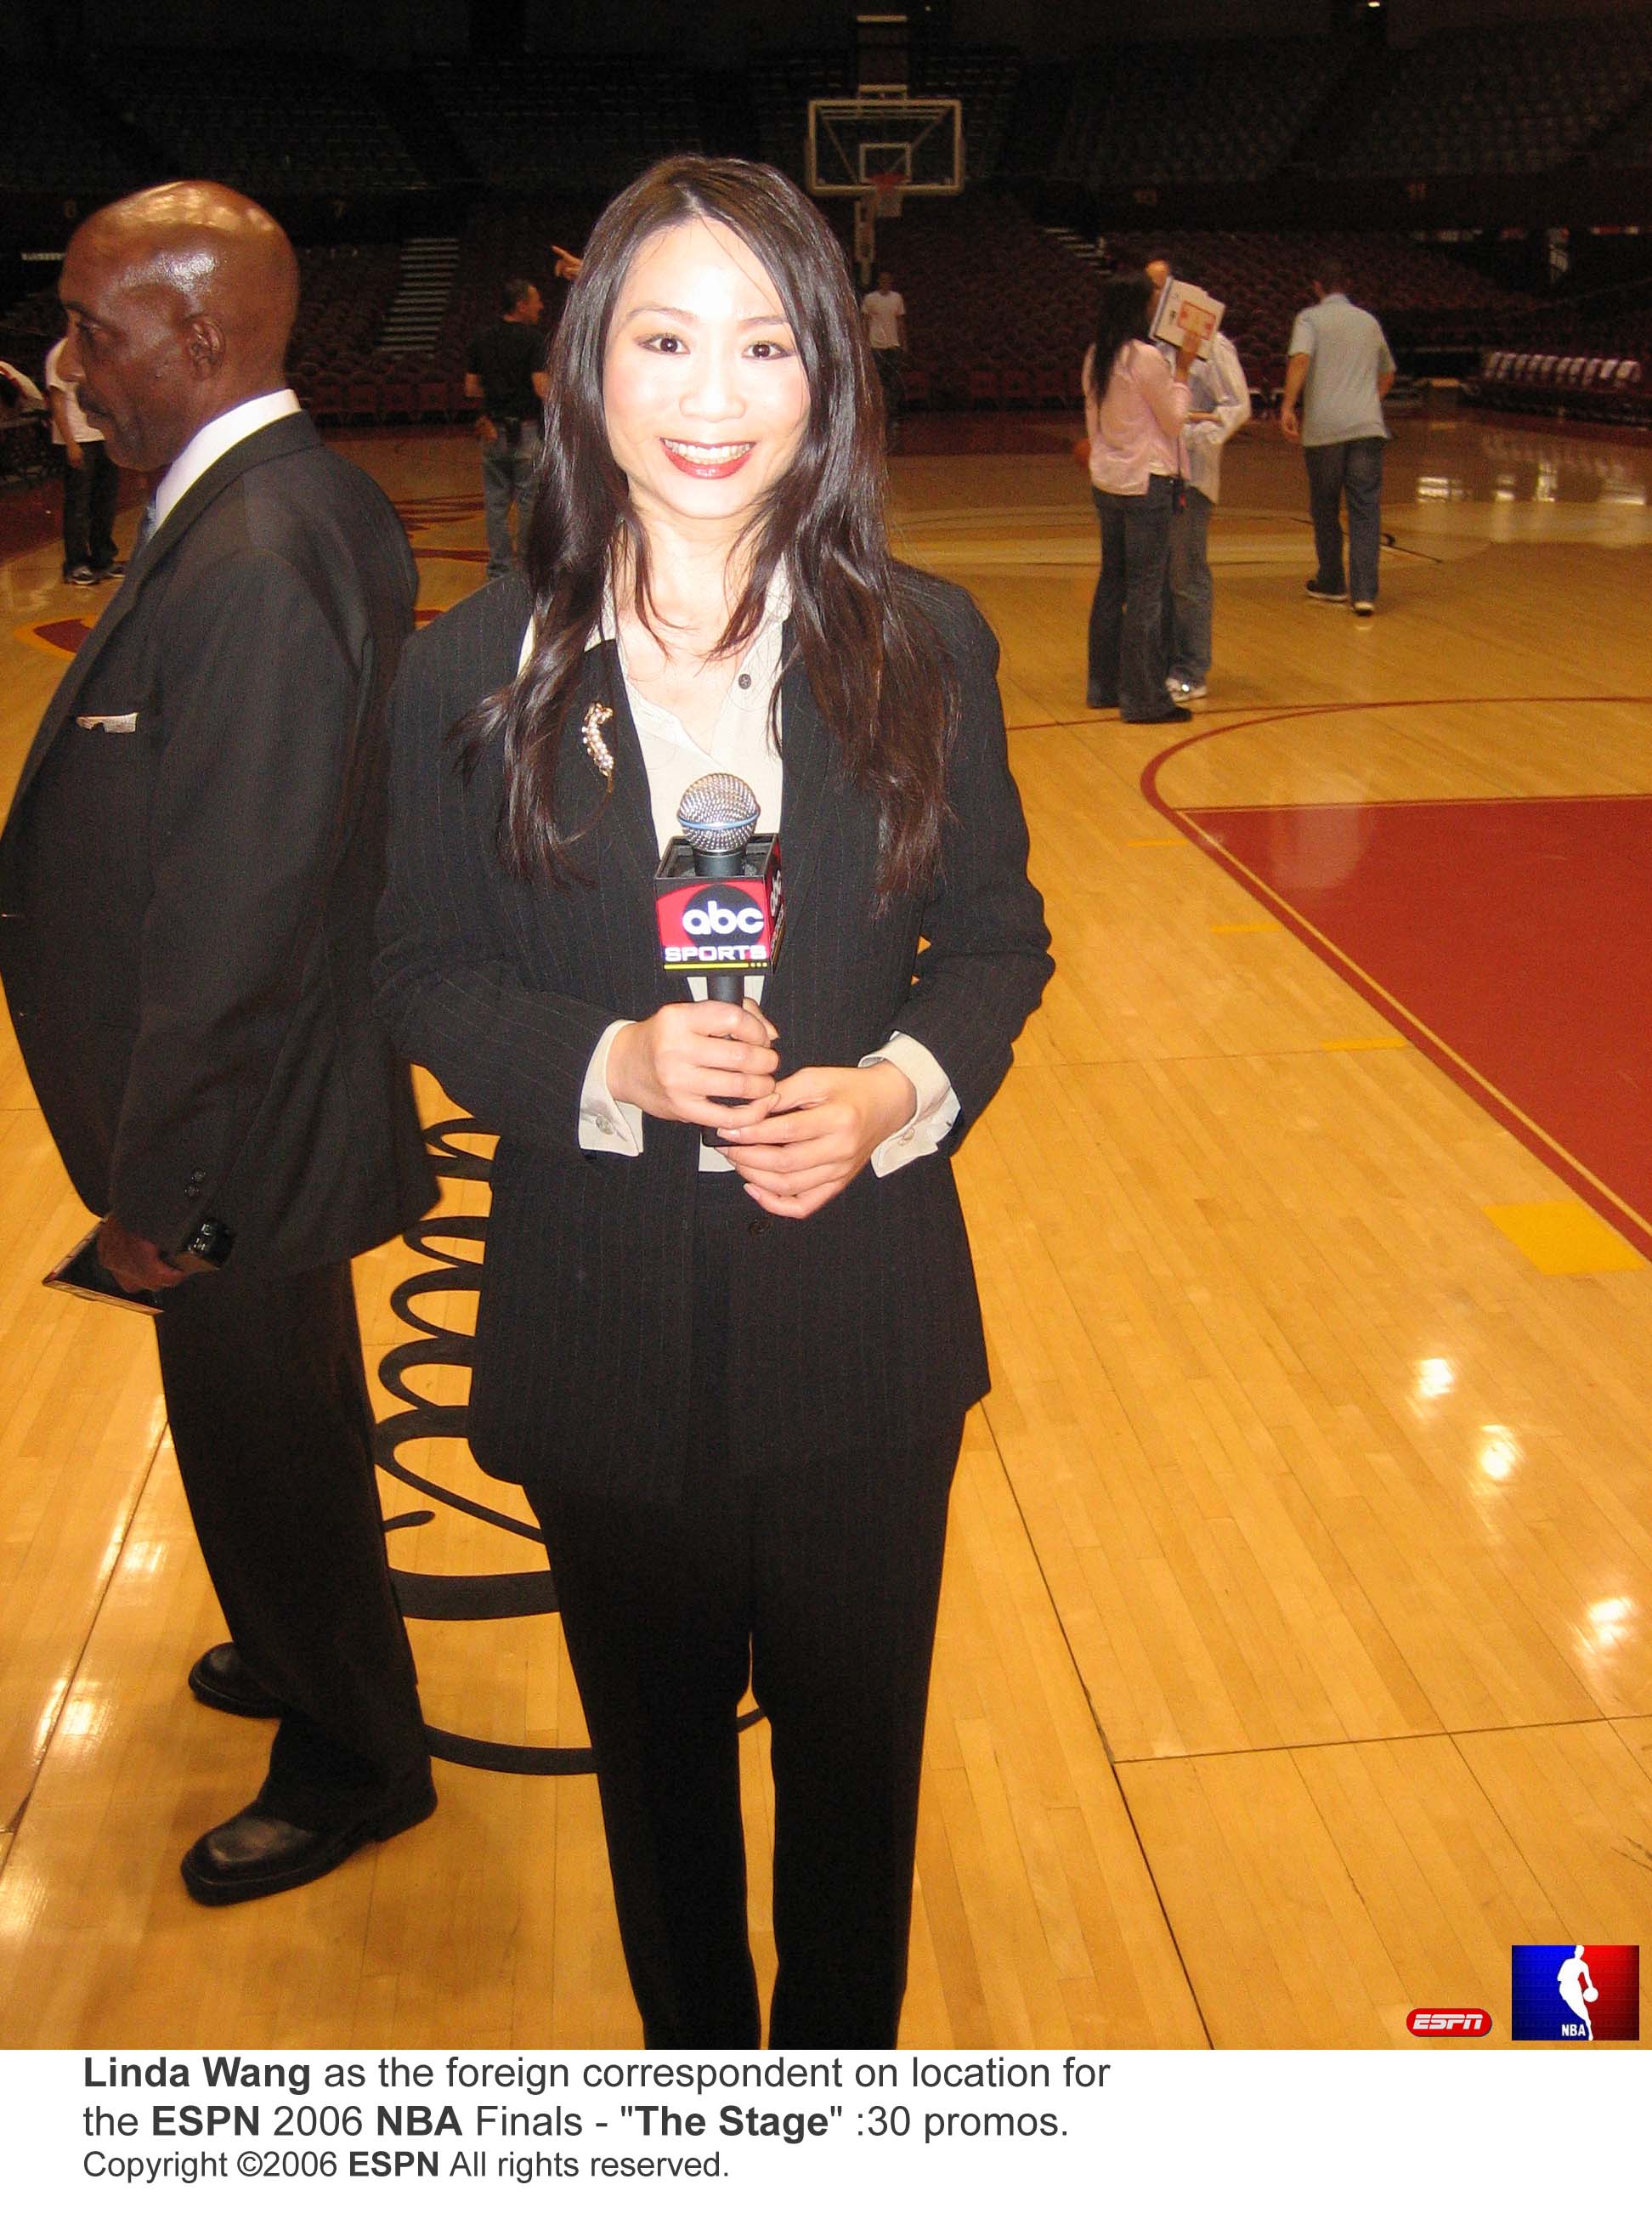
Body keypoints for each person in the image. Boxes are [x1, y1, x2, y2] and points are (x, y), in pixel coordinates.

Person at [375, 155, 1052, 2049]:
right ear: (587, 368)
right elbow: (418, 970)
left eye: (767, 344)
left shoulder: (927, 644)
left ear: (829, 379)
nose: (712, 395)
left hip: (863, 1331)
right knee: (658, 1793)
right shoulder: (466, 673)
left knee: (860, 1783)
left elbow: (999, 943)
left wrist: (895, 1093)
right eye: (665, 340)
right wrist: (604, 1063)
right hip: (597, 1335)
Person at [0, 182, 437, 1905]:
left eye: (96, 327)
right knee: (270, 1423)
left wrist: (161, 1187)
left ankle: (354, 1758)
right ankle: (289, 1641)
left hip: (235, 1125)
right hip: (248, 1103)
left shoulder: (253, 553)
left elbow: (232, 915)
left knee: (273, 1442)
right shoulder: (272, 500)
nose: (69, 360)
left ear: (195, 335)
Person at [1083, 272, 1198, 722]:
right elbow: (1173, 421)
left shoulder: (1096, 356)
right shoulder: (1146, 358)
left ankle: (1103, 686)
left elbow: (1093, 425)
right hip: (1147, 481)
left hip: (1109, 480)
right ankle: (1144, 698)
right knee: (1146, 592)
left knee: (1112, 584)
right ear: (1137, 309)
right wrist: (1184, 371)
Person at [1145, 257, 1251, 705]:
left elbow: (1237, 406)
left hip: (1192, 478)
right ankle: (1164, 660)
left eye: (1159, 287)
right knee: (1160, 574)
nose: (1152, 296)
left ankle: (1192, 667)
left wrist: (1192, 434)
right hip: (1153, 475)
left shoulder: (1215, 348)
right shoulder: (1147, 351)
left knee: (1186, 573)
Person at [1280, 258, 1395, 618]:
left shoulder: (1309, 319)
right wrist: (1365, 402)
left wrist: (1287, 405)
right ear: (1347, 286)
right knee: (1365, 509)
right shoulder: (1369, 321)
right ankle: (1364, 594)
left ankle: (1331, 581)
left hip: (1325, 430)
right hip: (1366, 427)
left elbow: (1300, 360)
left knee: (1325, 506)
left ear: (1317, 286)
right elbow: (1387, 374)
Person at [466, 277, 551, 580]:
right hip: (526, 431)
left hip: (492, 431)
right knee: (529, 502)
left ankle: (500, 570)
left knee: (496, 504)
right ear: (521, 305)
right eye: (536, 300)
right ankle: (526, 569)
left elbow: (471, 387)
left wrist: (491, 403)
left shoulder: (481, 337)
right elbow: (541, 387)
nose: (541, 306)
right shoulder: (533, 339)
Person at [45, 330, 122, 585]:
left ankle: (103, 557)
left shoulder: (98, 354)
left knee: (105, 501)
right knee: (79, 504)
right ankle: (76, 563)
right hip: (79, 438)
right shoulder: (60, 355)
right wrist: (70, 443)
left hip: (103, 436)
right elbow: (57, 401)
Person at [860, 267, 906, 443]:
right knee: (876, 385)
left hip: (892, 346)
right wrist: (863, 345)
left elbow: (900, 322)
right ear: (878, 282)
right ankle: (876, 419)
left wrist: (903, 344)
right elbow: (864, 322)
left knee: (893, 384)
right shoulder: (870, 299)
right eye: (882, 279)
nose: (885, 282)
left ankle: (892, 419)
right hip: (875, 347)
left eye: (888, 279)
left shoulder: (897, 298)